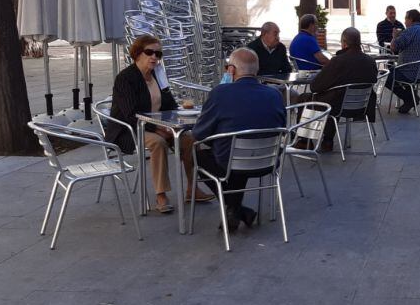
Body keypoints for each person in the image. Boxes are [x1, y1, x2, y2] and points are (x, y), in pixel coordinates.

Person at [105, 34, 213, 214]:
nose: (154, 57)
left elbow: (170, 105)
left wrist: (180, 117)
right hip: (129, 129)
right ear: (138, 53)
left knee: (190, 141)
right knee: (158, 143)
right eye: (150, 52)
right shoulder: (126, 78)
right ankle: (161, 195)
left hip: (159, 126)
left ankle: (192, 189)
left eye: (158, 54)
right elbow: (131, 115)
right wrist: (158, 129)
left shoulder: (158, 74)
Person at [192, 48, 286, 232]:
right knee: (236, 153)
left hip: (232, 162)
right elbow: (281, 126)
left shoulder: (220, 93)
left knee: (200, 154)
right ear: (256, 70)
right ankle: (237, 210)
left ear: (232, 70)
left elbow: (199, 133)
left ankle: (236, 209)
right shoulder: (274, 94)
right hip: (268, 160)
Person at [299, 27, 379, 153]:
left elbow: (315, 86)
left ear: (344, 43)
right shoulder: (370, 61)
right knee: (333, 98)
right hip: (363, 106)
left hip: (338, 106)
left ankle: (303, 141)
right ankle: (327, 141)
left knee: (307, 98)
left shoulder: (338, 61)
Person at [387, 9, 420, 113]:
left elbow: (393, 47)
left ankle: (409, 99)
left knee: (386, 77)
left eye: (406, 19)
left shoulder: (410, 31)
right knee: (396, 71)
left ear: (411, 19)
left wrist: (395, 36)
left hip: (412, 72)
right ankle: (412, 97)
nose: (404, 22)